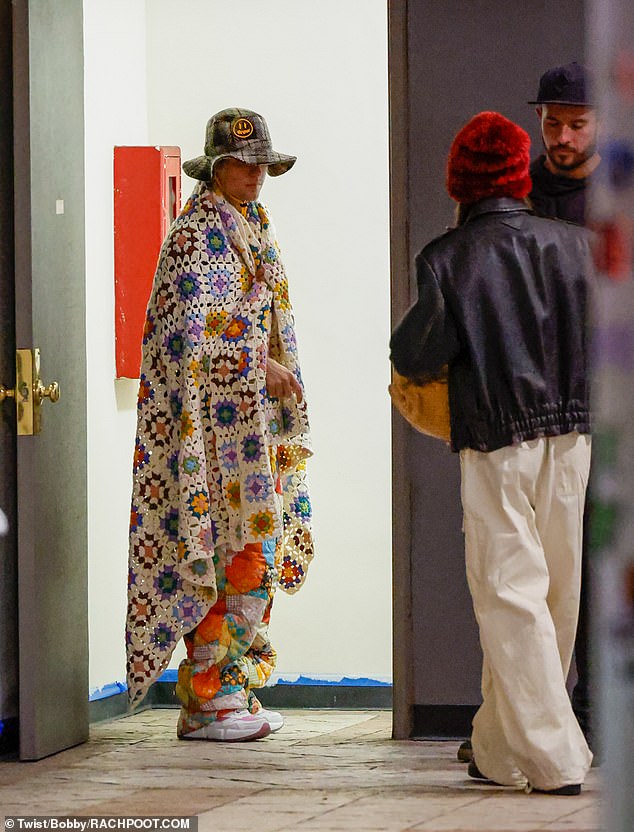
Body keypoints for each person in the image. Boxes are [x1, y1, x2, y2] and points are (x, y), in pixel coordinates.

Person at [390, 112, 593, 794]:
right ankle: (500, 748)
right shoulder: (575, 246)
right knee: (558, 590)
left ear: (460, 183)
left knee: (510, 593)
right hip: (573, 434)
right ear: (517, 177)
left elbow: (414, 352)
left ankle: (556, 756)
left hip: (496, 435)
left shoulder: (447, 258)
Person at [126, 108, 315, 742]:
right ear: (218, 167)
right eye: (244, 164)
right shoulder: (194, 234)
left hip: (249, 433)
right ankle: (205, 696)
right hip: (207, 436)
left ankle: (231, 682)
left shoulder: (251, 225)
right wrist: (257, 361)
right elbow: (188, 334)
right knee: (217, 550)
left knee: (252, 551)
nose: (257, 175)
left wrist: (269, 368)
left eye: (262, 164)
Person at [530, 62, 600, 748]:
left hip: (608, 401)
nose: (563, 137)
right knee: (541, 568)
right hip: (540, 405)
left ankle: (601, 716)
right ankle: (545, 718)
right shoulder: (520, 193)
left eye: (577, 124)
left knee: (598, 561)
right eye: (553, 123)